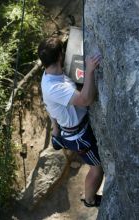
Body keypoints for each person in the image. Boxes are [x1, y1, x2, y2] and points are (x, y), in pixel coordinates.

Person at [38, 37, 104, 207]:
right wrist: (89, 70)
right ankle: (89, 200)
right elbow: (86, 99)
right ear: (61, 56)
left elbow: (48, 104)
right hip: (79, 136)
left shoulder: (49, 75)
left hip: (72, 129)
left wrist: (54, 127)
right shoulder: (55, 87)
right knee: (97, 168)